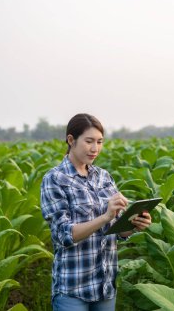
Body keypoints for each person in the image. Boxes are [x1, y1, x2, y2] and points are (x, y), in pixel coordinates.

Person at [40, 113, 152, 311]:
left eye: (100, 142)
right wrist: (105, 216)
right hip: (73, 288)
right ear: (71, 140)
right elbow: (63, 235)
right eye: (89, 141)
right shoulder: (55, 179)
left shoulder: (103, 177)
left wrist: (132, 225)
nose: (95, 149)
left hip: (105, 286)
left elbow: (116, 231)